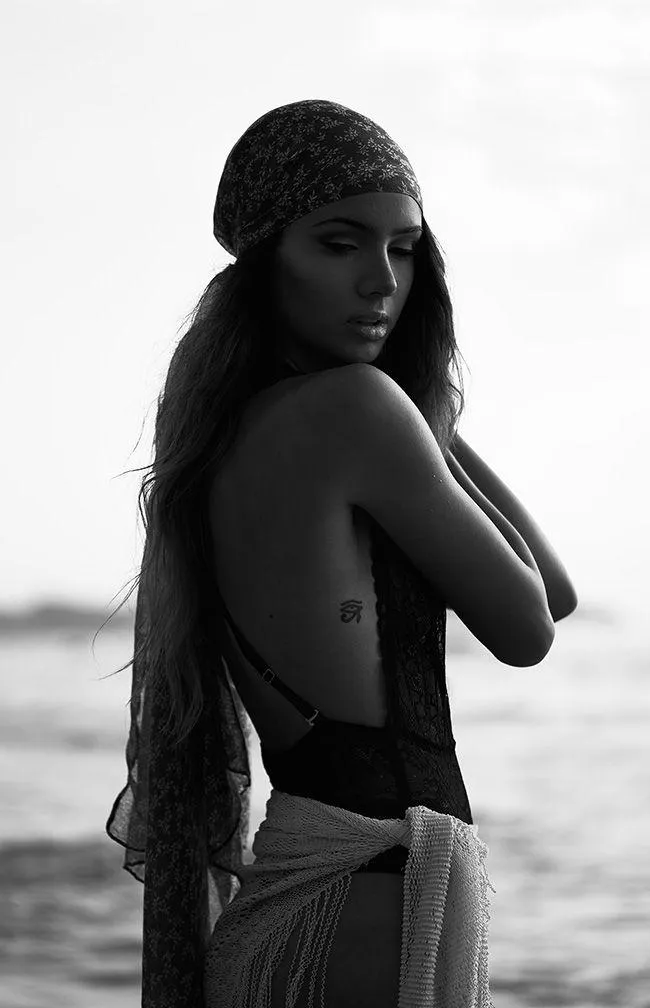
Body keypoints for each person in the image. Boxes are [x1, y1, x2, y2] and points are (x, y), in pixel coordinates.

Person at [105, 99, 578, 1008]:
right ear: (266, 260)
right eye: (340, 243)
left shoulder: (226, 440)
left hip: (302, 903)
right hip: (363, 905)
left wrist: (418, 409)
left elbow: (550, 592)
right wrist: (420, 409)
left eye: (405, 248)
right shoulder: (356, 410)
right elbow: (530, 627)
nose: (382, 281)